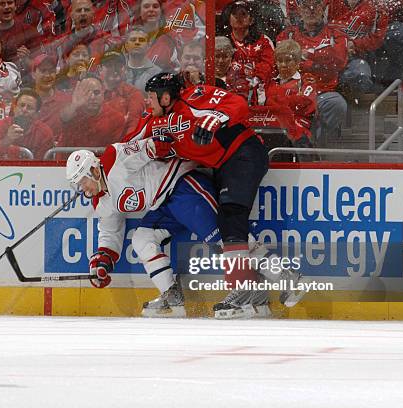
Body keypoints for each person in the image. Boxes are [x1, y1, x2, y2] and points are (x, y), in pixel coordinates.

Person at [123, 72, 271, 319]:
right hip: (194, 181)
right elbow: (128, 145)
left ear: (166, 97)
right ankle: (259, 289)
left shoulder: (195, 97)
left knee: (229, 224)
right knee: (227, 224)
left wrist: (215, 119)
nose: (147, 102)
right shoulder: (154, 121)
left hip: (232, 160)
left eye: (150, 97)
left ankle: (252, 289)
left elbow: (237, 104)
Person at [65, 141, 220, 318]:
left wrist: (159, 144)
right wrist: (103, 259)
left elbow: (152, 146)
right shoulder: (101, 203)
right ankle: (172, 296)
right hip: (163, 207)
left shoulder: (114, 159)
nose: (82, 188)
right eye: (78, 184)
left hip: (182, 187)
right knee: (142, 239)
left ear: (93, 170)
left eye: (83, 181)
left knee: (222, 240)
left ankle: (255, 286)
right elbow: (110, 231)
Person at [277, 0, 348, 148]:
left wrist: (307, 56)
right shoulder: (288, 34)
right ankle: (298, 149)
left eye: (315, 6)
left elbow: (339, 62)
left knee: (337, 103)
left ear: (323, 8)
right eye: (306, 6)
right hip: (293, 92)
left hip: (324, 92)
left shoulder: (336, 35)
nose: (311, 10)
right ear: (299, 10)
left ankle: (319, 148)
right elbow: (281, 61)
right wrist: (321, 60)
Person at [57, 75, 125, 149]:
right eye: (86, 93)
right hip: (67, 159)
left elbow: (115, 151)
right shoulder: (71, 111)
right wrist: (74, 105)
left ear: (103, 94)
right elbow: (63, 117)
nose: (92, 97)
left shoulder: (116, 119)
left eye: (96, 92)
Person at [0, 88, 55, 160]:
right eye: (22, 105)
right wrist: (8, 139)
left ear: (37, 114)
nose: (24, 110)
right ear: (14, 108)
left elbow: (44, 165)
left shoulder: (44, 133)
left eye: (29, 108)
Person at [100, 51, 145, 136]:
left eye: (118, 66)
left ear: (125, 69)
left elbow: (133, 125)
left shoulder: (134, 94)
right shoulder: (93, 92)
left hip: (121, 146)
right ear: (100, 69)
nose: (114, 69)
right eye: (109, 66)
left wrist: (121, 147)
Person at [123, 26, 162, 91]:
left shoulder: (157, 73)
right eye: (133, 40)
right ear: (126, 45)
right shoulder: (118, 72)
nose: (137, 42)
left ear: (148, 45)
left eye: (141, 40)